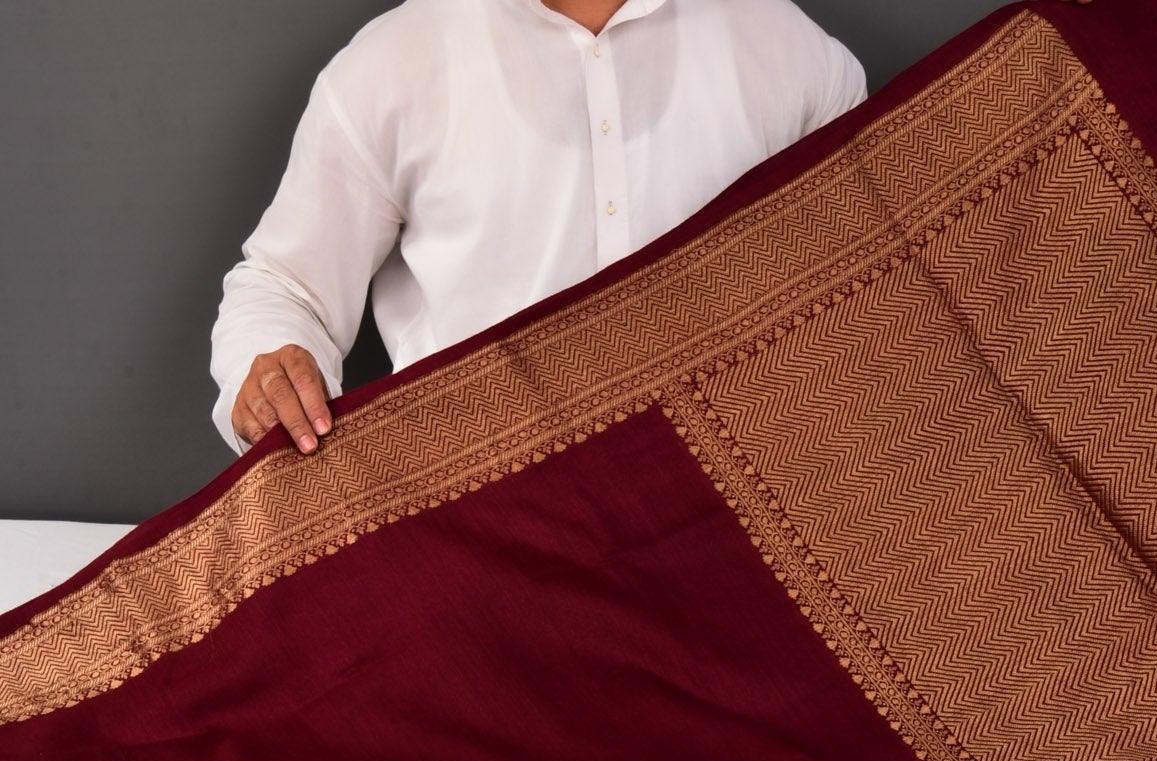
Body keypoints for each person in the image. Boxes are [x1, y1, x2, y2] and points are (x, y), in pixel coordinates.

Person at [210, 0, 872, 455]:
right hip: (482, 518)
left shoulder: (784, 46)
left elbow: (874, 278)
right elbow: (284, 287)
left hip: (736, 498)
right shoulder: (394, 64)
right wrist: (269, 370)